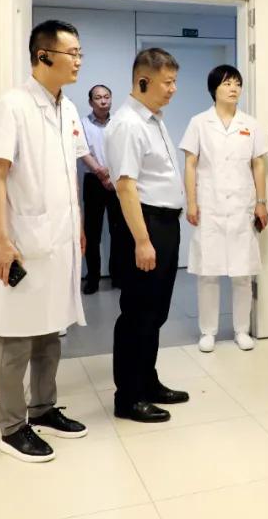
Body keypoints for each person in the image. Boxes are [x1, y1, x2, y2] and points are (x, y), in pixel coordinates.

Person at [0, 19, 90, 463]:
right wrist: (1, 240)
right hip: (25, 241)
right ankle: (11, 427)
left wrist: (78, 224)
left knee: (51, 329)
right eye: (72, 53)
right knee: (16, 336)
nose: (78, 61)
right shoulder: (12, 106)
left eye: (80, 53)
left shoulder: (68, 108)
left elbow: (70, 174)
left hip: (59, 239)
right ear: (43, 56)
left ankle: (43, 407)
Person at [105, 48, 190, 424]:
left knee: (155, 312)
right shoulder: (128, 124)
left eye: (174, 81)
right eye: (167, 82)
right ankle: (128, 397)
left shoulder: (154, 120)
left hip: (164, 225)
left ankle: (147, 382)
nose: (173, 89)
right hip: (144, 224)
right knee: (137, 313)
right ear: (143, 81)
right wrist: (142, 240)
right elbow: (126, 186)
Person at [181, 65, 268, 353]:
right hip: (210, 205)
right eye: (227, 83)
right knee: (208, 272)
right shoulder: (199, 122)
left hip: (242, 206)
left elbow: (258, 163)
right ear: (214, 89)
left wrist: (261, 202)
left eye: (237, 83)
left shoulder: (250, 124)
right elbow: (190, 164)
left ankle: (241, 330)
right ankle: (208, 332)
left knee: (242, 273)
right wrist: (191, 202)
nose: (234, 88)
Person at [80, 84, 128, 294]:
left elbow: (125, 149)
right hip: (93, 180)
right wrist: (100, 171)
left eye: (106, 97)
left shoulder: (119, 122)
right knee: (93, 232)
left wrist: (111, 173)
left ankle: (118, 276)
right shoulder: (82, 124)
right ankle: (93, 279)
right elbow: (82, 151)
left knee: (119, 231)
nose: (103, 101)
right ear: (91, 102)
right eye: (98, 97)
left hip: (117, 180)